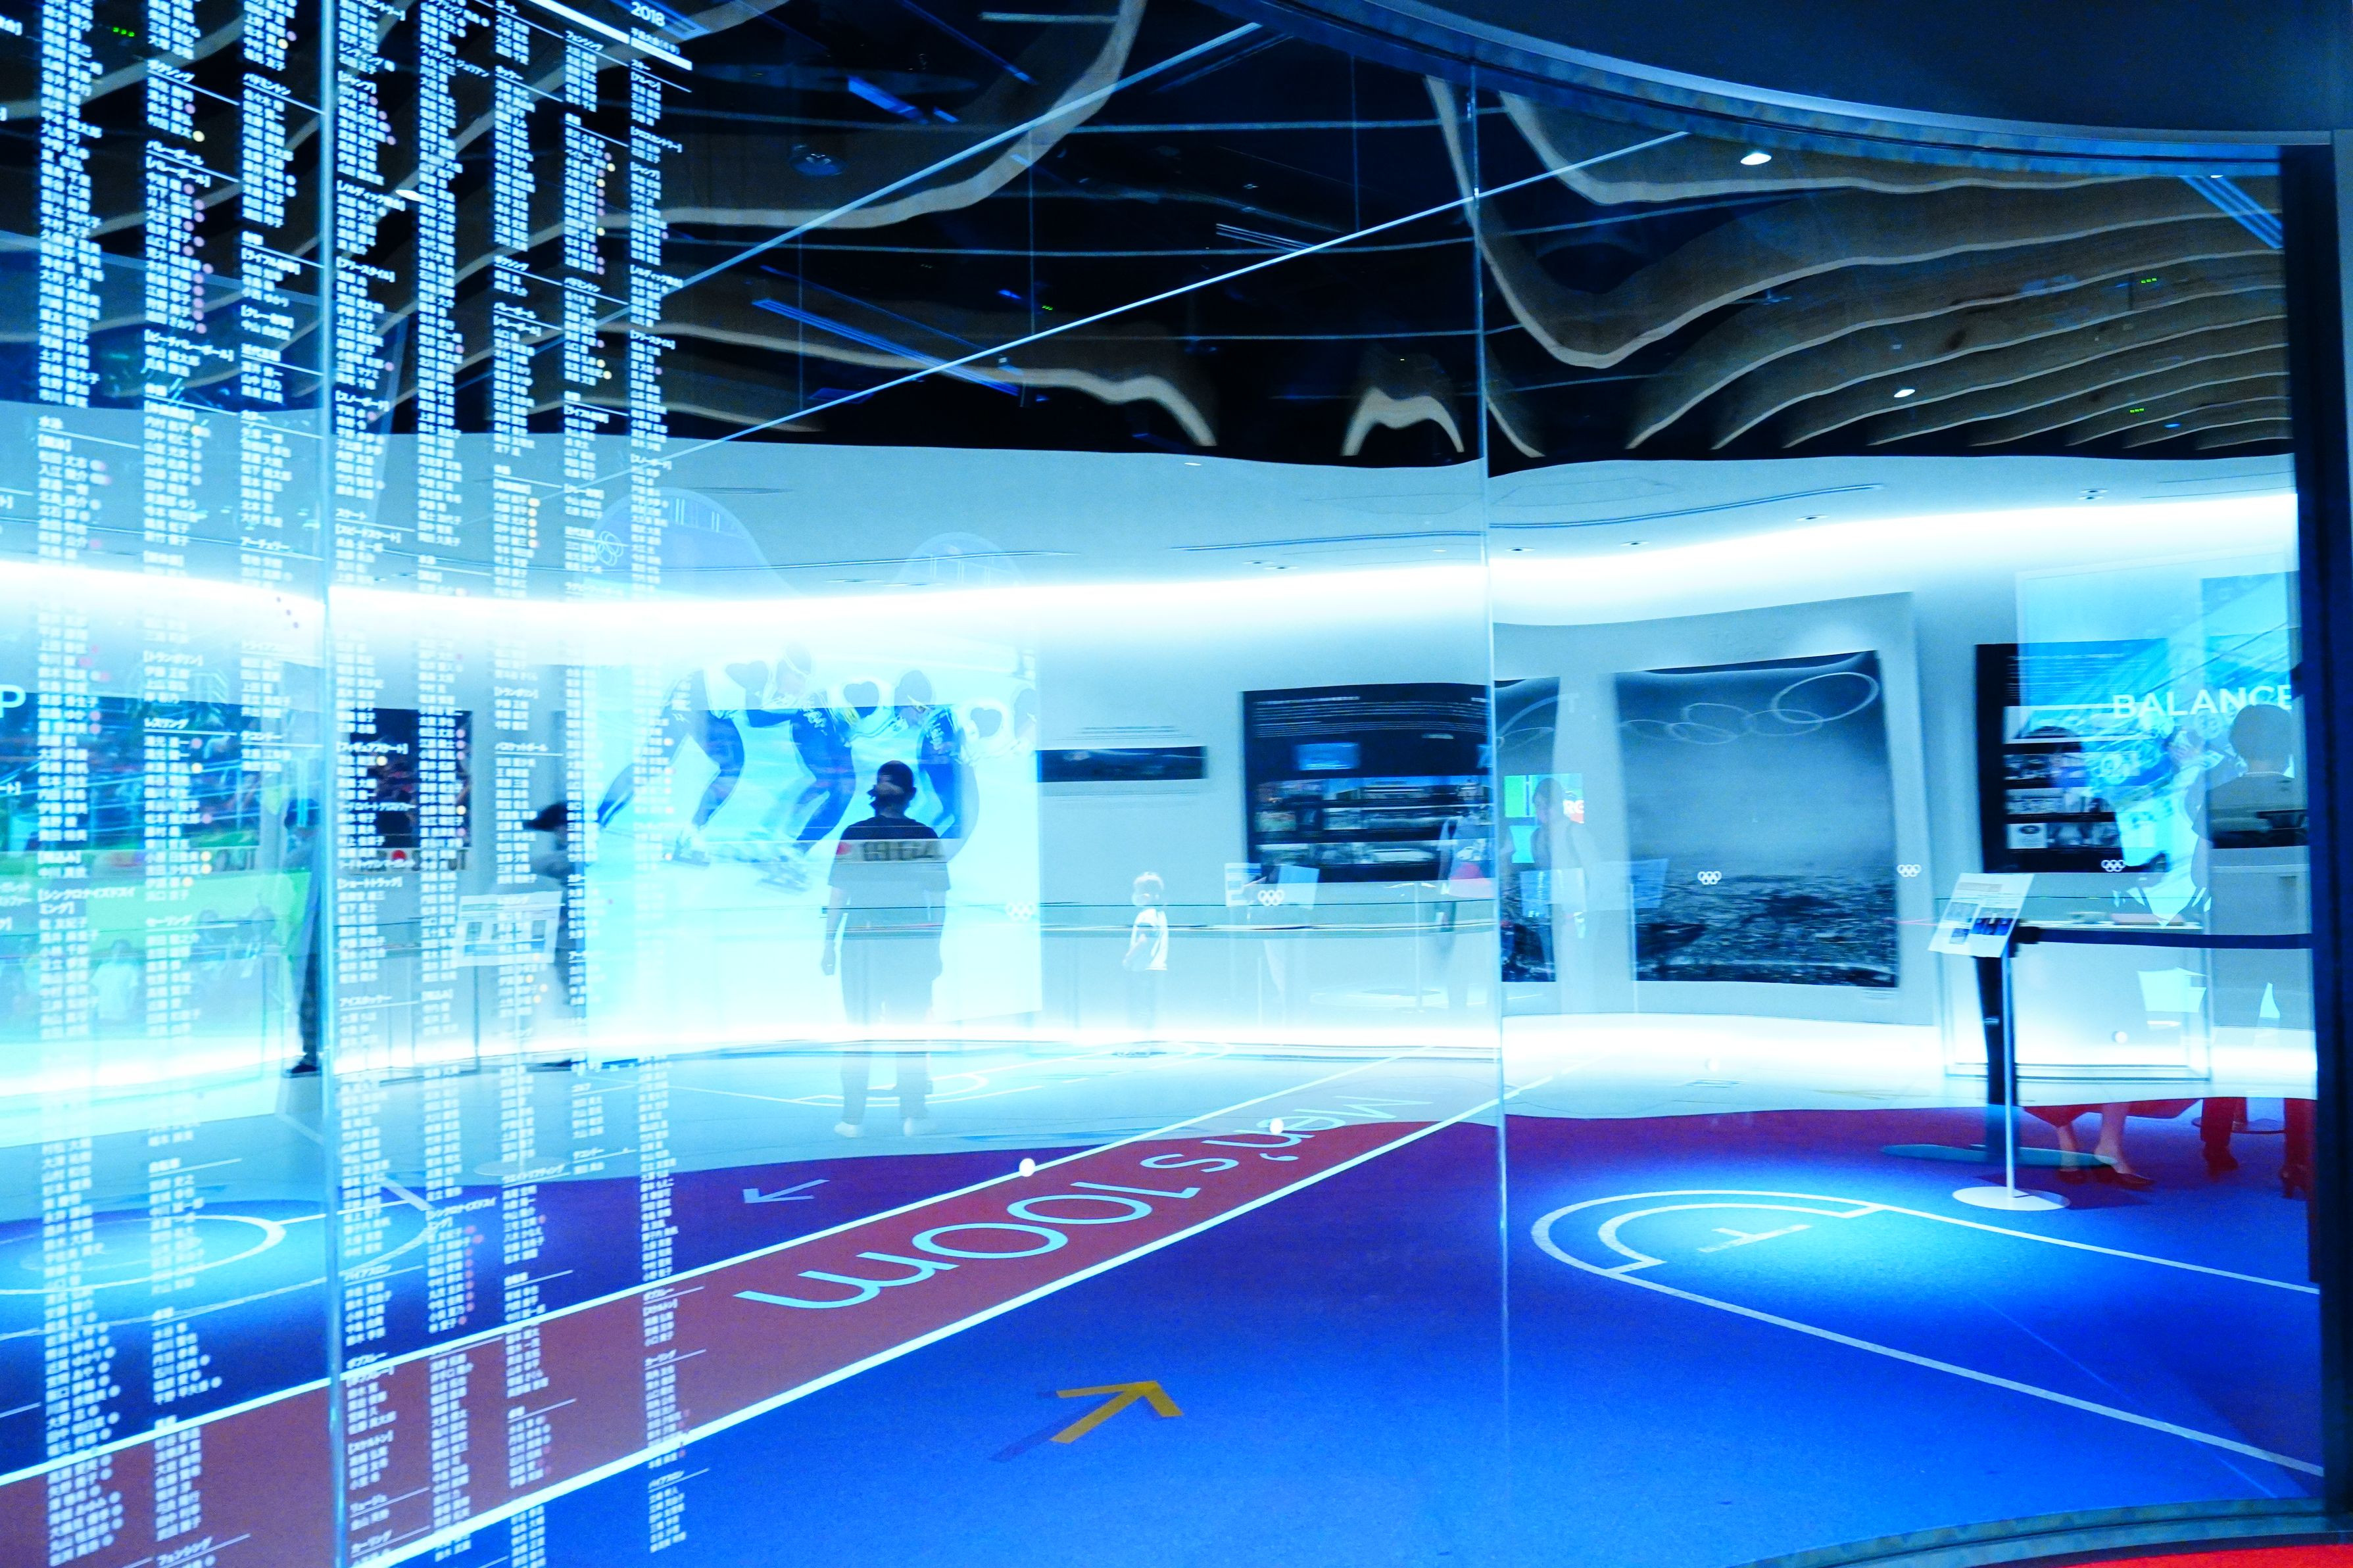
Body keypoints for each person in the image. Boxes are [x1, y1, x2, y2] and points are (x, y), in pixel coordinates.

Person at [2193, 701, 2314, 1193]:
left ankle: (2216, 1145)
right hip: (2295, 942)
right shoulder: (2307, 795)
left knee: (2229, 1040)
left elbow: (2200, 875)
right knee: (2299, 1045)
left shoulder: (2218, 798)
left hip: (2234, 941)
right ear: (2288, 745)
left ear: (2238, 745)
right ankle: (2300, 1159)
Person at [823, 761, 946, 1137]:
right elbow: (938, 903)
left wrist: (828, 944)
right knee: (910, 1032)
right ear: (911, 795)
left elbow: (838, 896)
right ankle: (914, 1115)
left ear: (874, 795)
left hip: (862, 944)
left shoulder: (855, 834)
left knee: (859, 1032)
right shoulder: (925, 836)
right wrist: (935, 947)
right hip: (911, 944)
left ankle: (852, 1119)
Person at [1122, 872, 1168, 1048]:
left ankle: (1142, 1041)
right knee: (1152, 1006)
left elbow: (1143, 941)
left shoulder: (1147, 915)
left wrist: (1128, 958)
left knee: (1142, 1005)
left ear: (1146, 895)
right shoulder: (1159, 914)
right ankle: (1151, 1040)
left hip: (1144, 968)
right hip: (1157, 968)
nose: (1135, 895)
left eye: (1137, 890)